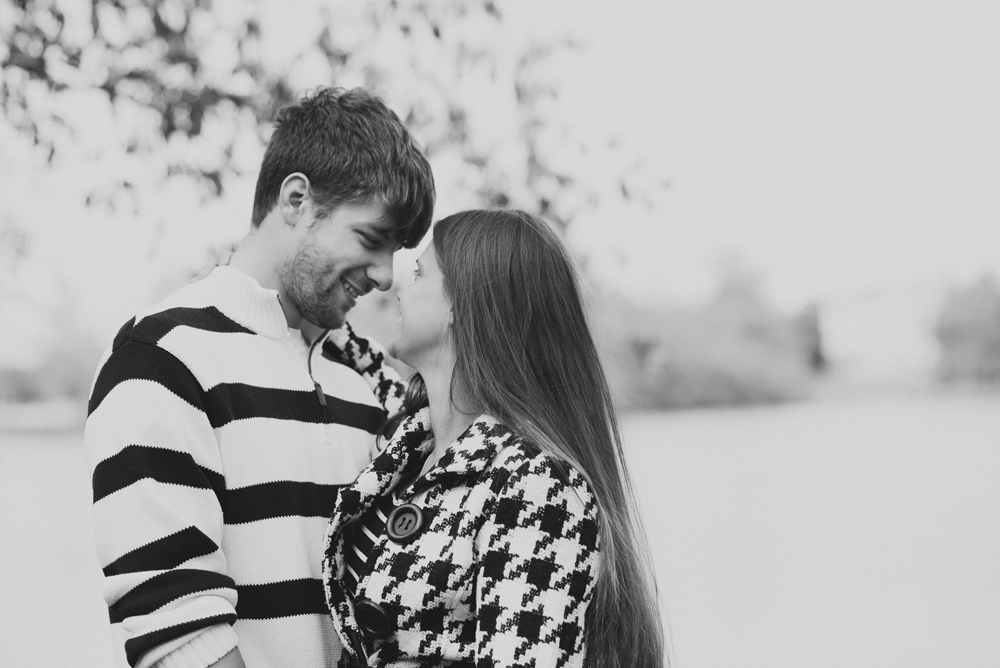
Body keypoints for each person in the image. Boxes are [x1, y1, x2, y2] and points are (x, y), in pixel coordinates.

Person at [84, 87, 435, 668]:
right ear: (296, 199)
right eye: (372, 240)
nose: (383, 276)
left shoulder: (376, 380)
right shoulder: (162, 359)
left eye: (398, 253)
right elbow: (177, 630)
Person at [321, 209, 665, 668]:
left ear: (460, 305)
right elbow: (362, 362)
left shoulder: (536, 486)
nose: (397, 289)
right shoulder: (412, 440)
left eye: (420, 273)